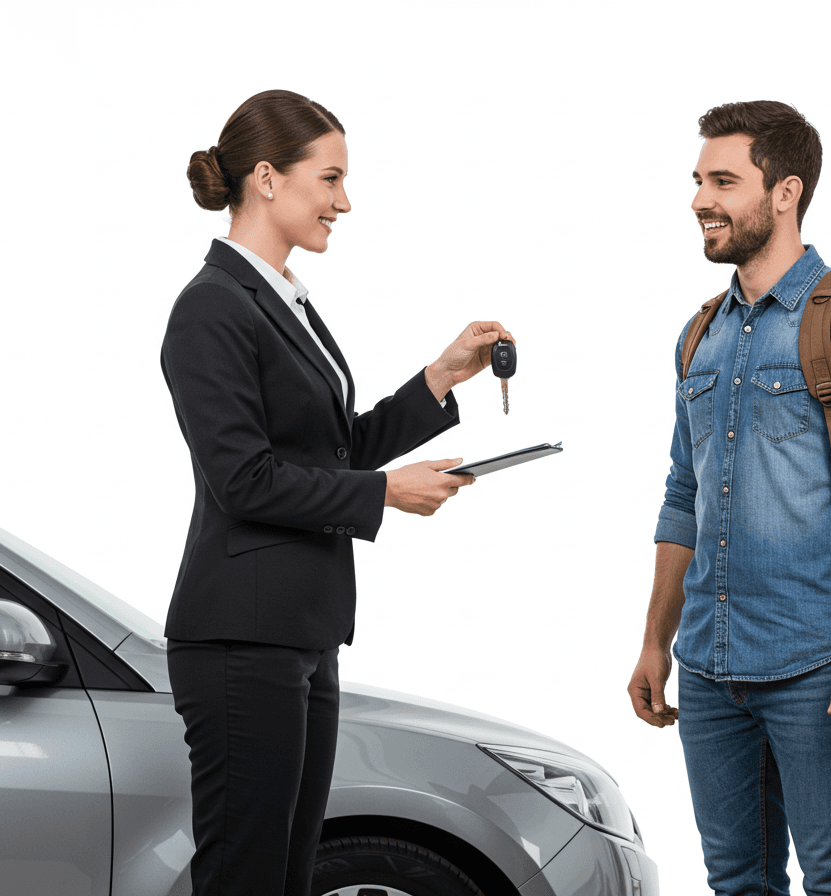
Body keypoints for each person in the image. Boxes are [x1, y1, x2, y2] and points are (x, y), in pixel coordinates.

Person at [162, 89, 512, 896]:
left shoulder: (281, 297)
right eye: (330, 179)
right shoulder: (211, 308)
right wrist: (384, 492)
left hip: (299, 630)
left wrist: (438, 378)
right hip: (239, 637)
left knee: (288, 873)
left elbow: (332, 447)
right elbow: (244, 479)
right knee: (246, 874)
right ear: (267, 179)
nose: (344, 202)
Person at [626, 101, 831, 896]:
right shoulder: (701, 334)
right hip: (708, 662)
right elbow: (681, 496)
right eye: (698, 179)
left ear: (786, 191)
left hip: (817, 665)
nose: (700, 199)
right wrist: (656, 641)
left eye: (723, 180)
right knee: (736, 880)